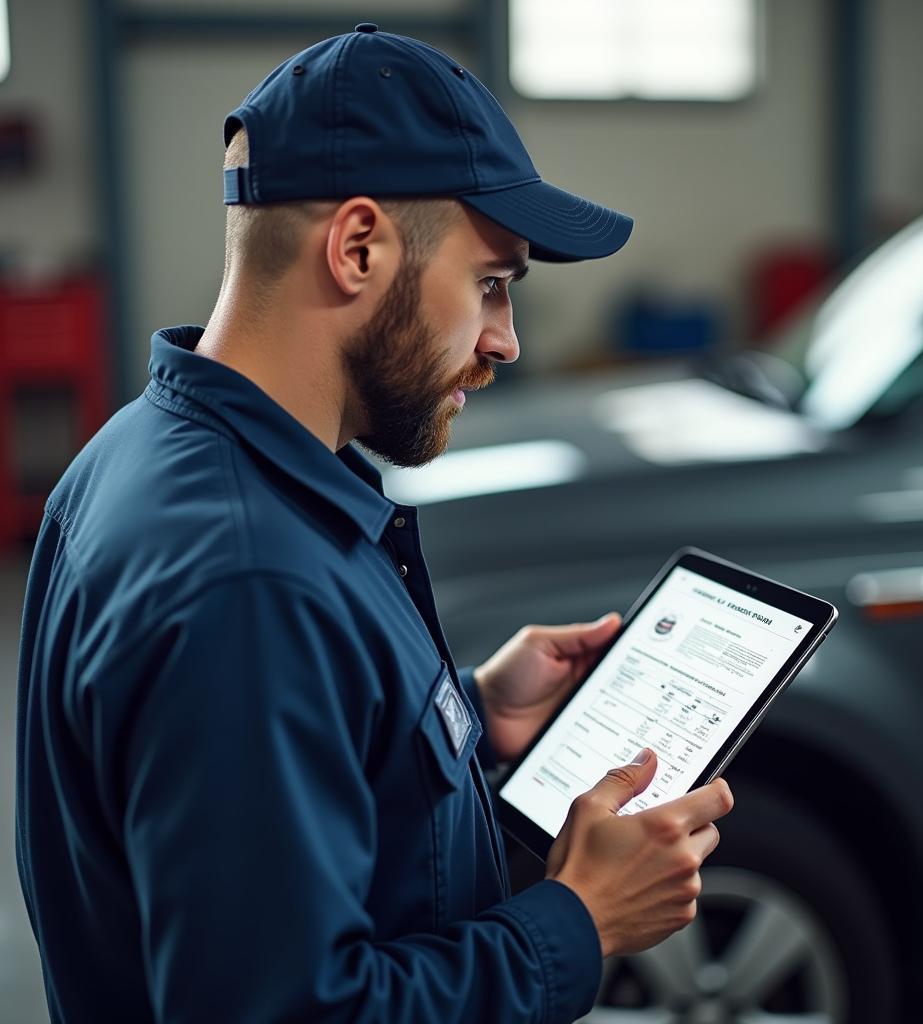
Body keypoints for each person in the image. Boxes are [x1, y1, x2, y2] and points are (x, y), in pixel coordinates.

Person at [16, 25, 733, 1023]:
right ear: (358, 247)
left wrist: (472, 713)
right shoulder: (248, 579)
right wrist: (581, 917)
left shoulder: (137, 454)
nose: (506, 341)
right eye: (491, 283)